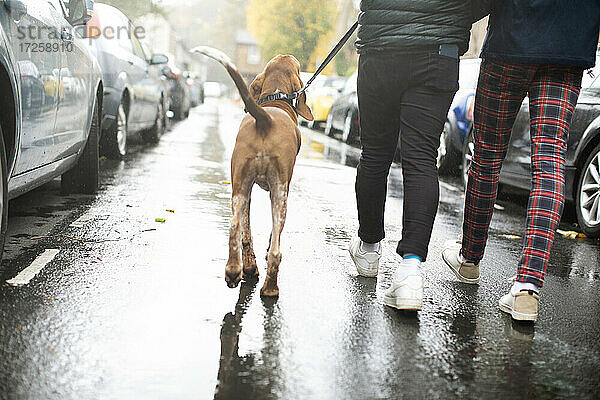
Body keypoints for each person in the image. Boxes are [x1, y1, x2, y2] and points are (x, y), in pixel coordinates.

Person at [442, 1, 600, 322]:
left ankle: (470, 258)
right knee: (550, 162)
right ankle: (527, 287)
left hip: (511, 42)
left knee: (487, 156)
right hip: (568, 48)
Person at [348, 1, 489, 310]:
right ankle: (410, 271)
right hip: (439, 52)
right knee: (422, 159)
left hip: (382, 48)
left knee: (374, 154)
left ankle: (369, 248)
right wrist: (451, 16)